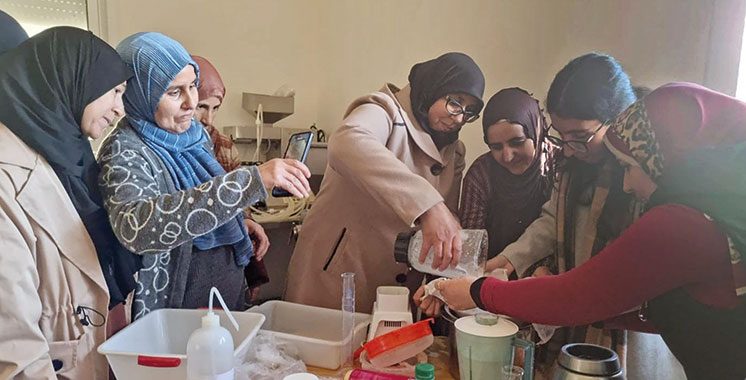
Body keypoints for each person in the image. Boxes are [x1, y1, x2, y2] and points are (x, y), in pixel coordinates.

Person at [432, 82, 746, 379]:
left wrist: (479, 291)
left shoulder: (683, 224)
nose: (626, 183)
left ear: (661, 158)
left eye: (629, 166)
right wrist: (530, 287)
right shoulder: (716, 213)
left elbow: (578, 296)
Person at [98, 32, 310, 319]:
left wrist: (236, 220)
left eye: (192, 87)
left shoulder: (195, 137)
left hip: (223, 300)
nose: (190, 103)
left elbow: (201, 202)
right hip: (174, 314)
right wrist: (249, 182)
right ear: (140, 93)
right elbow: (138, 227)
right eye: (174, 92)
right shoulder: (124, 150)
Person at [285, 52, 485, 313]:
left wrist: (441, 281)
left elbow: (444, 222)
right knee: (318, 349)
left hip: (395, 286)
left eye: (469, 111)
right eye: (454, 102)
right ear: (435, 87)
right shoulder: (384, 111)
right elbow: (347, 141)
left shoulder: (453, 151)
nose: (459, 118)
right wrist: (429, 206)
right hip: (339, 271)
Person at [0, 26, 131, 379]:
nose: (120, 109)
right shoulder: (7, 174)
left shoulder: (72, 159)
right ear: (75, 79)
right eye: (115, 91)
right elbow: (12, 345)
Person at [191, 55, 270, 303]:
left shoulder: (224, 147)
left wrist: (246, 222)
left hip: (226, 261)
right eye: (202, 107)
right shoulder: (170, 150)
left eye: (215, 108)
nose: (209, 119)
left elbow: (238, 205)